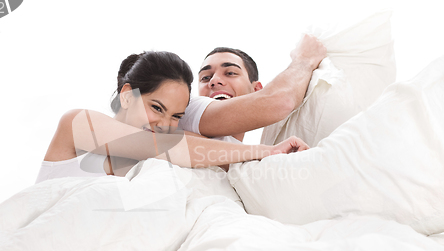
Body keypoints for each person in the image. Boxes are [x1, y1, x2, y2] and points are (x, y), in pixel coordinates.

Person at [35, 51, 309, 183]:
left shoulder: (163, 155)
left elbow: (179, 147)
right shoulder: (78, 123)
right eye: (156, 107)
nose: (165, 125)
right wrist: (265, 151)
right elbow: (167, 146)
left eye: (176, 115)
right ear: (127, 95)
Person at [179, 34, 327, 142]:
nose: (214, 81)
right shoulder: (186, 111)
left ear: (256, 90)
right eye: (205, 77)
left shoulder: (242, 164)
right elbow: (281, 101)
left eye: (230, 73)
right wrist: (304, 59)